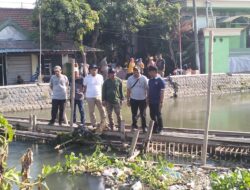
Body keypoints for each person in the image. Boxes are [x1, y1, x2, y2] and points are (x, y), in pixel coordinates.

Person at [84, 64, 107, 133]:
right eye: (93, 69)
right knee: (91, 111)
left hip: (99, 96)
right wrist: (85, 95)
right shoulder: (86, 78)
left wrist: (104, 96)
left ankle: (104, 123)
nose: (94, 71)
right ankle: (94, 124)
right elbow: (85, 87)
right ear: (90, 70)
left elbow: (103, 87)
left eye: (96, 69)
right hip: (90, 96)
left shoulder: (100, 77)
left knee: (102, 110)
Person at [127, 66, 148, 133]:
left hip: (142, 99)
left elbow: (147, 89)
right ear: (133, 72)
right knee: (134, 114)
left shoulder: (144, 78)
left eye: (137, 72)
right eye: (135, 72)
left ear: (140, 71)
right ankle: (134, 126)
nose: (136, 73)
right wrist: (128, 100)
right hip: (133, 99)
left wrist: (147, 98)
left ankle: (144, 127)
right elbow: (128, 90)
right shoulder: (130, 79)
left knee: (143, 114)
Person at [147, 66, 165, 134]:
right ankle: (155, 128)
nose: (149, 73)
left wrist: (161, 102)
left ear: (154, 71)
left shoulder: (159, 80)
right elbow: (149, 90)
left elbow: (162, 92)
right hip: (151, 101)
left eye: (150, 72)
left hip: (157, 101)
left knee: (158, 115)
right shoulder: (150, 80)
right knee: (152, 115)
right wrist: (147, 99)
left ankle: (161, 129)